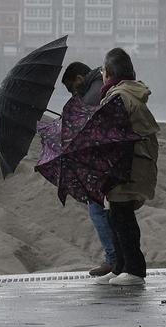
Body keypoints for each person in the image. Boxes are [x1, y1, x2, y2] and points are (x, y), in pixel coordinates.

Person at [93, 47, 159, 287]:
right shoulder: (125, 94)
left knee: (122, 218)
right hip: (128, 165)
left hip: (126, 167)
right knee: (114, 215)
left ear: (108, 73)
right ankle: (120, 266)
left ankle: (134, 269)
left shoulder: (118, 97)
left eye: (102, 70)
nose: (101, 74)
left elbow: (109, 135)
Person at [61, 61, 119, 277]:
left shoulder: (93, 93)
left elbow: (88, 129)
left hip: (103, 163)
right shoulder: (98, 86)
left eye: (71, 88)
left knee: (97, 209)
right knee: (113, 212)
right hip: (110, 160)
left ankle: (113, 259)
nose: (73, 93)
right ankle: (117, 259)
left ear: (78, 79)